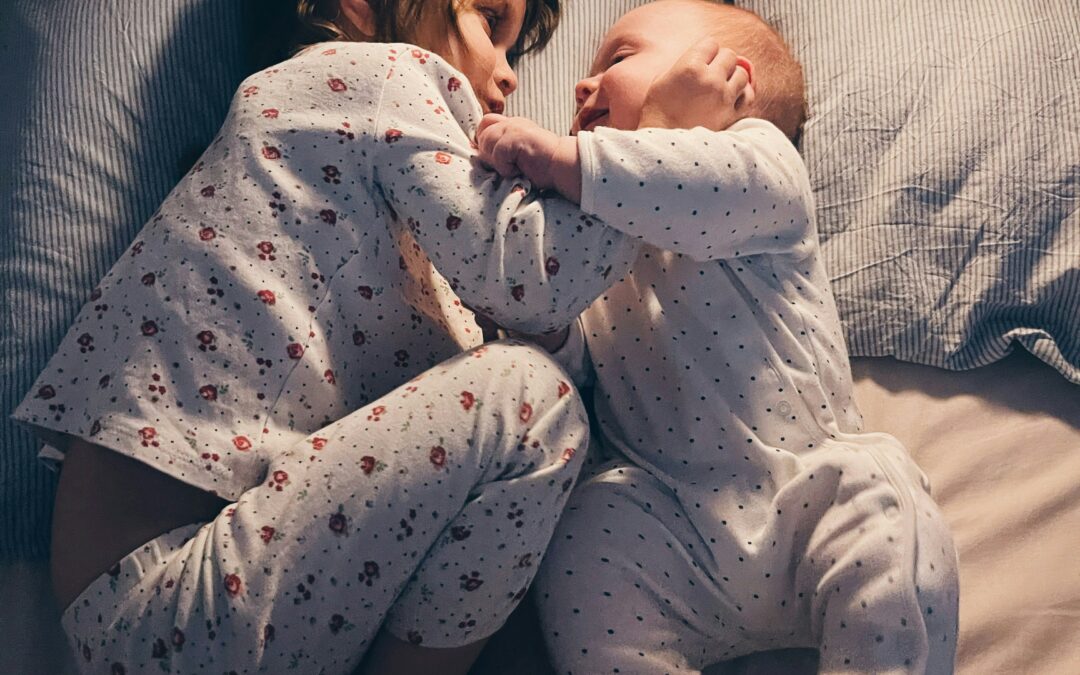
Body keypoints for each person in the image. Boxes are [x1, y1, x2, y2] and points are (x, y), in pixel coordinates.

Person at [9, 1, 662, 672]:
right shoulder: (377, 76)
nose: (507, 74)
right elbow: (530, 276)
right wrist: (648, 158)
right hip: (173, 581)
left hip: (170, 600)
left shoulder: (343, 189)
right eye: (489, 22)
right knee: (533, 402)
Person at [473, 1, 960, 672]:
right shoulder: (592, 233)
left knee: (885, 505)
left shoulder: (763, 165)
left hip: (804, 497)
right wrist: (544, 323)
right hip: (667, 524)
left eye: (616, 59)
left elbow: (682, 185)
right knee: (585, 537)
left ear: (728, 82)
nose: (582, 87)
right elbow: (578, 363)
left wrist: (571, 157)